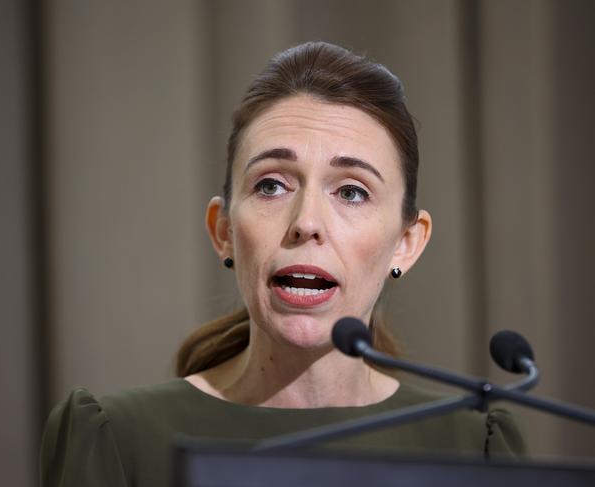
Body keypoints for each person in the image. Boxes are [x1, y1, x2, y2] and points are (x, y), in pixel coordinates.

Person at [40, 41, 525, 487]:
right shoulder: (116, 439)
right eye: (272, 185)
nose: (306, 222)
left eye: (351, 191)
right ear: (224, 230)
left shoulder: (474, 449)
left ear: (406, 243)